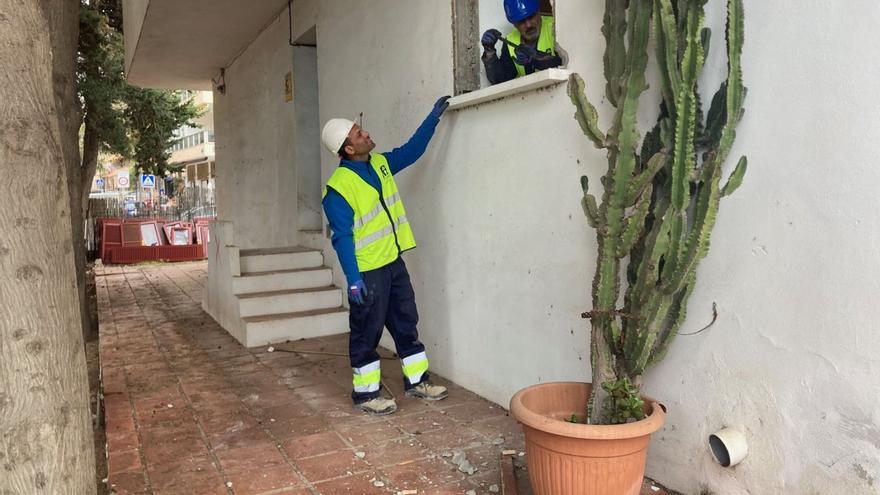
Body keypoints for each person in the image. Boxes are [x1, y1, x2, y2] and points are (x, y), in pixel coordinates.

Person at [320, 96, 452, 415]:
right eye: (357, 134)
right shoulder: (338, 188)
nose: (365, 134)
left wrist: (432, 118)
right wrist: (353, 280)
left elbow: (410, 151)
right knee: (367, 331)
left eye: (361, 129)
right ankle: (366, 395)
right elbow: (342, 238)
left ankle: (417, 381)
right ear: (348, 149)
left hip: (393, 263)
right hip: (367, 272)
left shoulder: (379, 164)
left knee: (406, 322)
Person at [481, 0, 564, 85]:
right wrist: (489, 52)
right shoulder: (510, 41)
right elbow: (500, 81)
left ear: (539, 11)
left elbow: (567, 63)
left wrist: (534, 58)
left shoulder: (556, 27)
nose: (528, 25)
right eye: (521, 21)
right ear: (514, 24)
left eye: (531, 17)